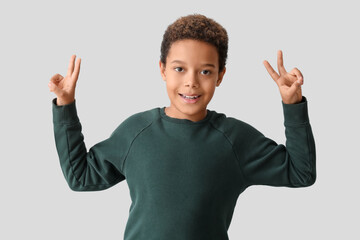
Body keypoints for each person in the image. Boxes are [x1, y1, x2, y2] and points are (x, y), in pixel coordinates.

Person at [48, 14, 316, 240]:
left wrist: (292, 104)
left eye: (205, 71)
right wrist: (65, 105)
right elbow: (80, 177)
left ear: (221, 75)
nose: (191, 82)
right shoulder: (136, 132)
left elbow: (301, 172)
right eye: (179, 69)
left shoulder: (235, 139)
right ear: (162, 69)